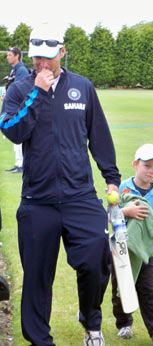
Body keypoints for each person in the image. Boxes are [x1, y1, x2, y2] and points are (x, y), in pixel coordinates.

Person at [0, 23, 121, 346]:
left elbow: (99, 136)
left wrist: (111, 178)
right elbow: (12, 130)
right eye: (37, 58)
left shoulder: (82, 87)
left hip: (80, 196)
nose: (42, 65)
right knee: (38, 277)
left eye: (49, 58)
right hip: (37, 201)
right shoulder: (19, 89)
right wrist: (38, 92)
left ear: (62, 53)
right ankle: (40, 340)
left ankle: (90, 320)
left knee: (96, 261)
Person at [111, 143, 153, 346]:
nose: (151, 172)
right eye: (147, 166)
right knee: (122, 287)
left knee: (149, 289)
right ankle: (124, 323)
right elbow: (109, 213)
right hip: (120, 249)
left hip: (146, 252)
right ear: (135, 164)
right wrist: (126, 212)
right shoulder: (122, 187)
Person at [3, 47, 30, 174]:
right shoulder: (15, 70)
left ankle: (22, 164)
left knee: (19, 133)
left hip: (19, 107)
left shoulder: (22, 70)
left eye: (9, 55)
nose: (7, 57)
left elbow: (21, 90)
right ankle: (18, 163)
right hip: (13, 106)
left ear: (17, 56)